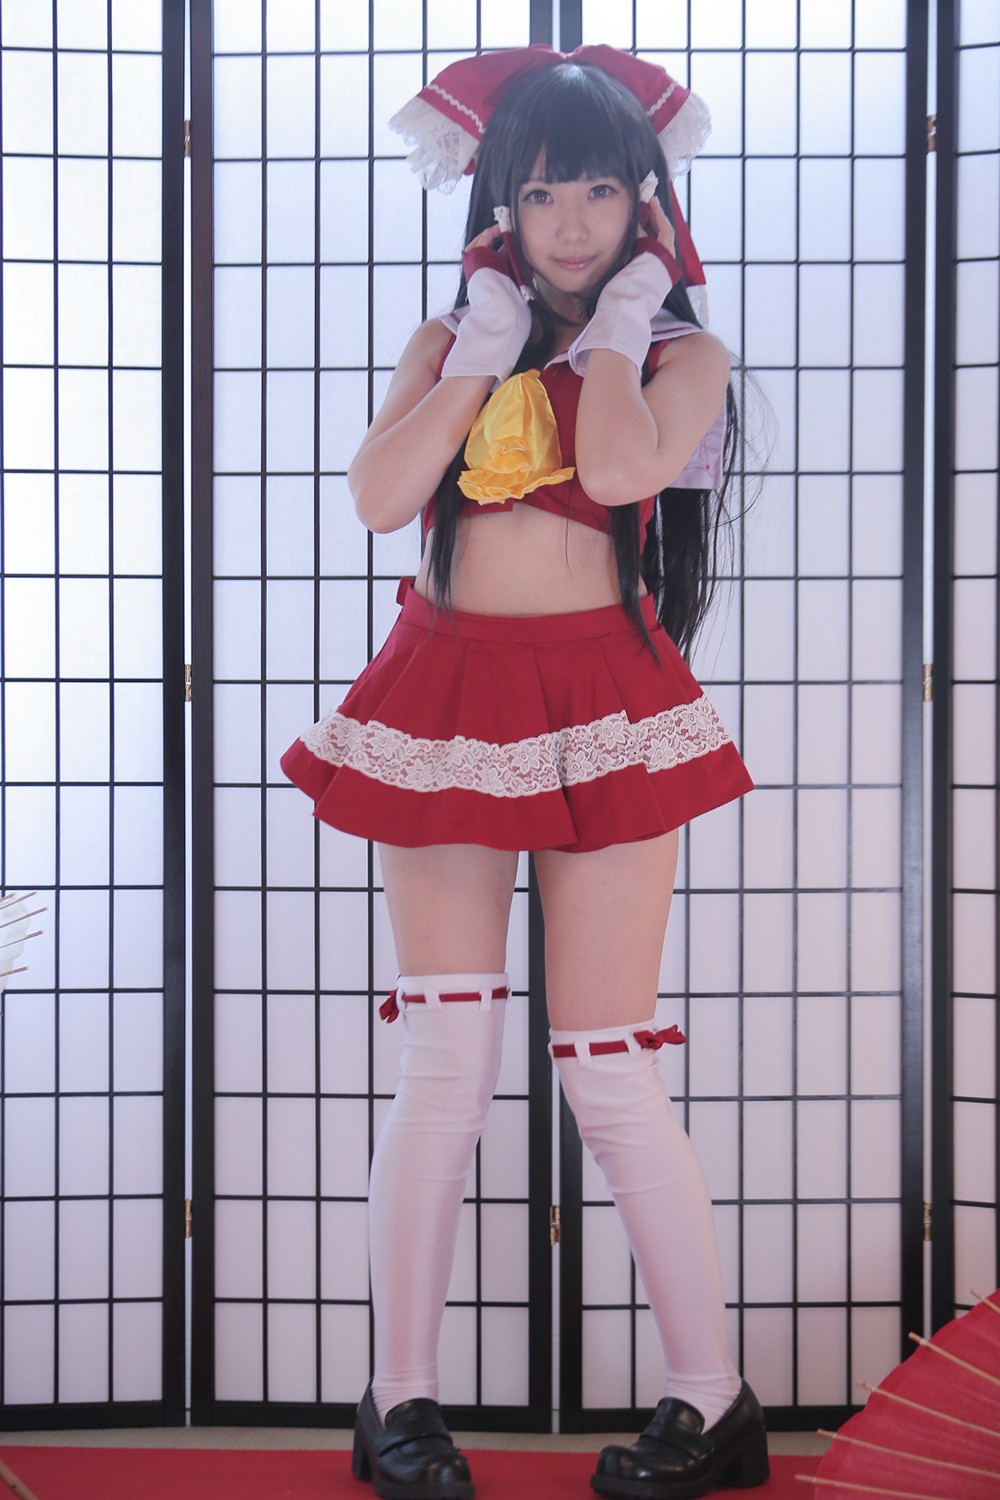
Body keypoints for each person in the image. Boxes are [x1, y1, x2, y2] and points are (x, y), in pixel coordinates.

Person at [281, 43, 767, 1500]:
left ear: (645, 203)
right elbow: (381, 496)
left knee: (610, 1071)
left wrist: (613, 329)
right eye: (541, 192)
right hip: (446, 691)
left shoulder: (681, 354)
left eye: (599, 191)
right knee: (446, 1062)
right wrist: (481, 354)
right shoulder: (451, 340)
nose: (568, 222)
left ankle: (713, 1401)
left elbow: (616, 476)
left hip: (605, 696)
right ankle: (398, 1402)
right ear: (498, 197)